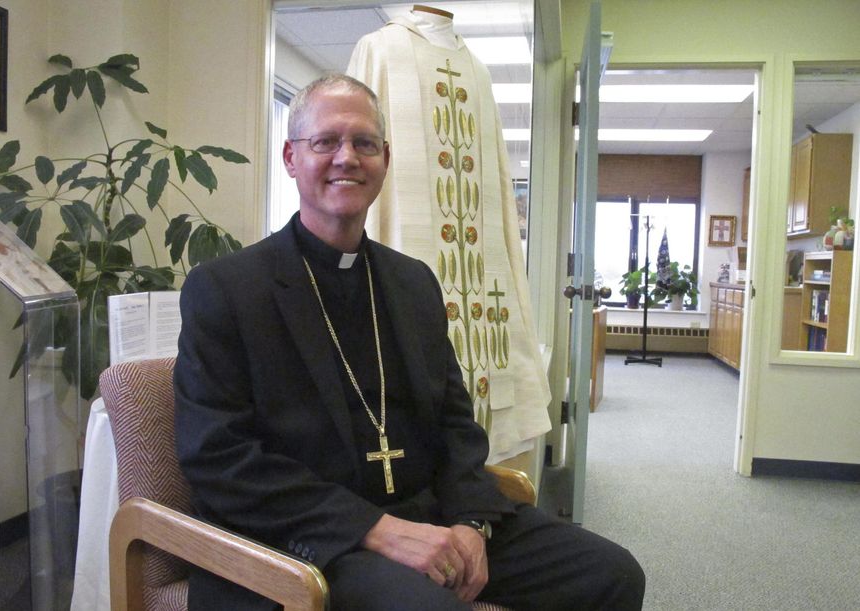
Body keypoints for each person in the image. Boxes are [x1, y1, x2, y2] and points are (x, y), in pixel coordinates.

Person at [174, 74, 645, 611]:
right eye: (325, 142)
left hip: (430, 515)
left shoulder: (412, 282)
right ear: (290, 158)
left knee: (611, 575)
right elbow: (217, 455)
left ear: (385, 159)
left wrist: (470, 523)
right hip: (311, 537)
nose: (346, 157)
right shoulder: (227, 289)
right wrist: (373, 527)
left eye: (364, 143)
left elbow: (455, 425)